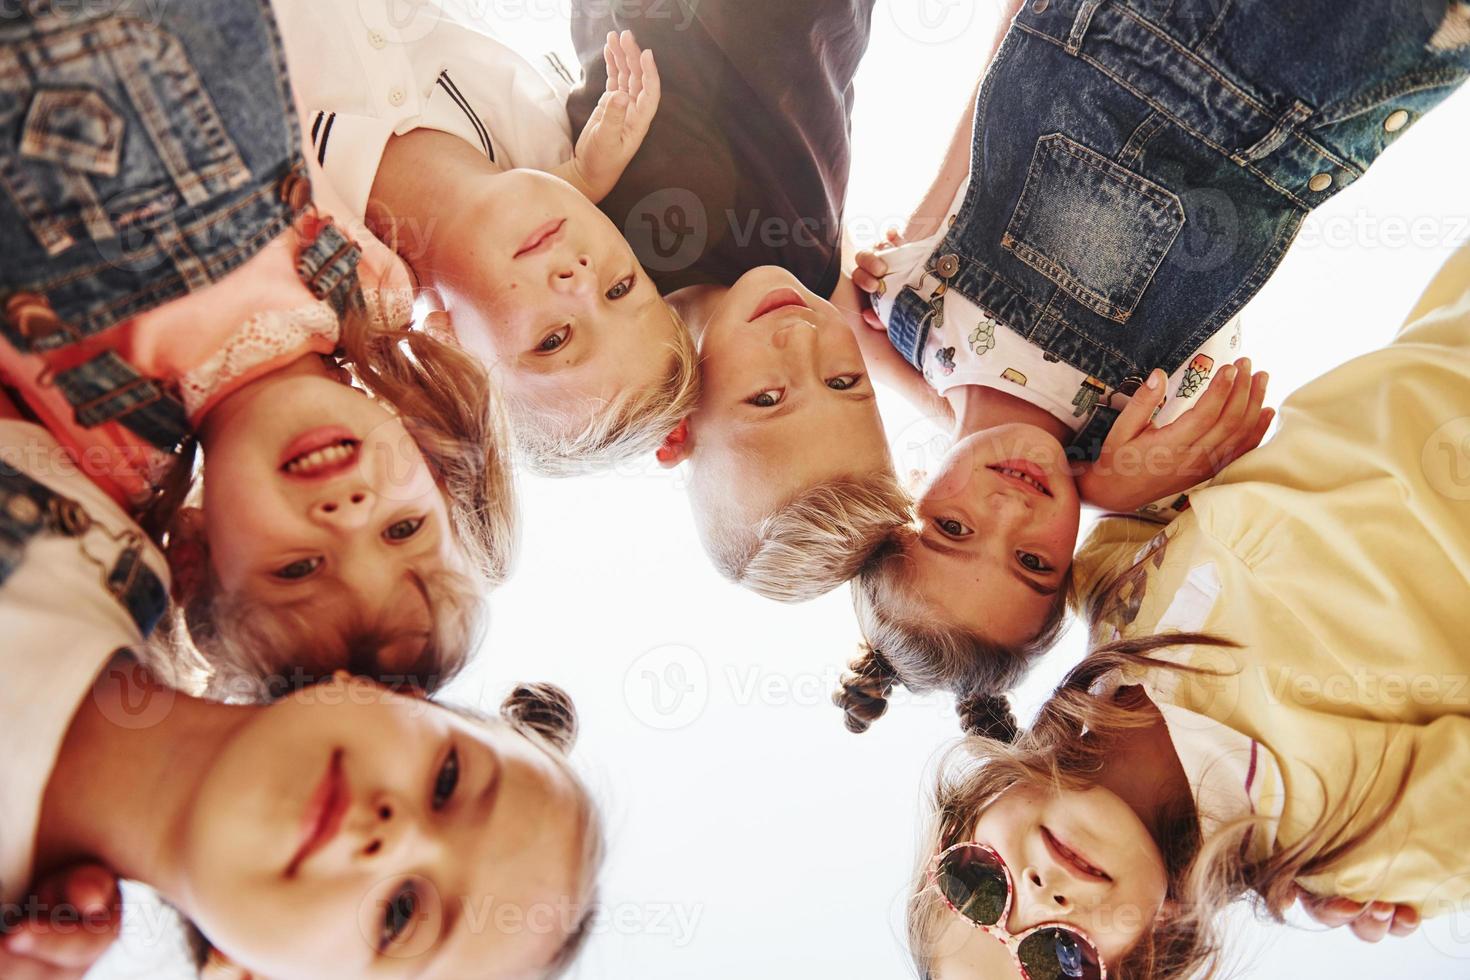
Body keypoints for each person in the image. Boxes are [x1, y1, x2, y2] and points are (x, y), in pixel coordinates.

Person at [842, 0, 1470, 710]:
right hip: (1318, 76)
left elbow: (1002, 83)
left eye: (953, 529)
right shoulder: (1147, 437)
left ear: (907, 495)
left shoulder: (909, 310)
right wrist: (1110, 485)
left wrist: (917, 334)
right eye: (1034, 561)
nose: (1010, 511)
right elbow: (1242, 413)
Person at [905, 240, 1470, 978]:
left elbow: (1124, 467)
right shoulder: (1330, 838)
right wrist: (1382, 867)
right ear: (1151, 954)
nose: (1039, 898)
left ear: (967, 820)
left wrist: (1114, 480)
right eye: (1058, 963)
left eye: (979, 889)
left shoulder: (1112, 598)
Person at [273, 0, 700, 475]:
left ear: (455, 355)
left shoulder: (308, 251)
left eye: (554, 339)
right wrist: (576, 176)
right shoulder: (548, 136)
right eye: (619, 288)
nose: (580, 279)